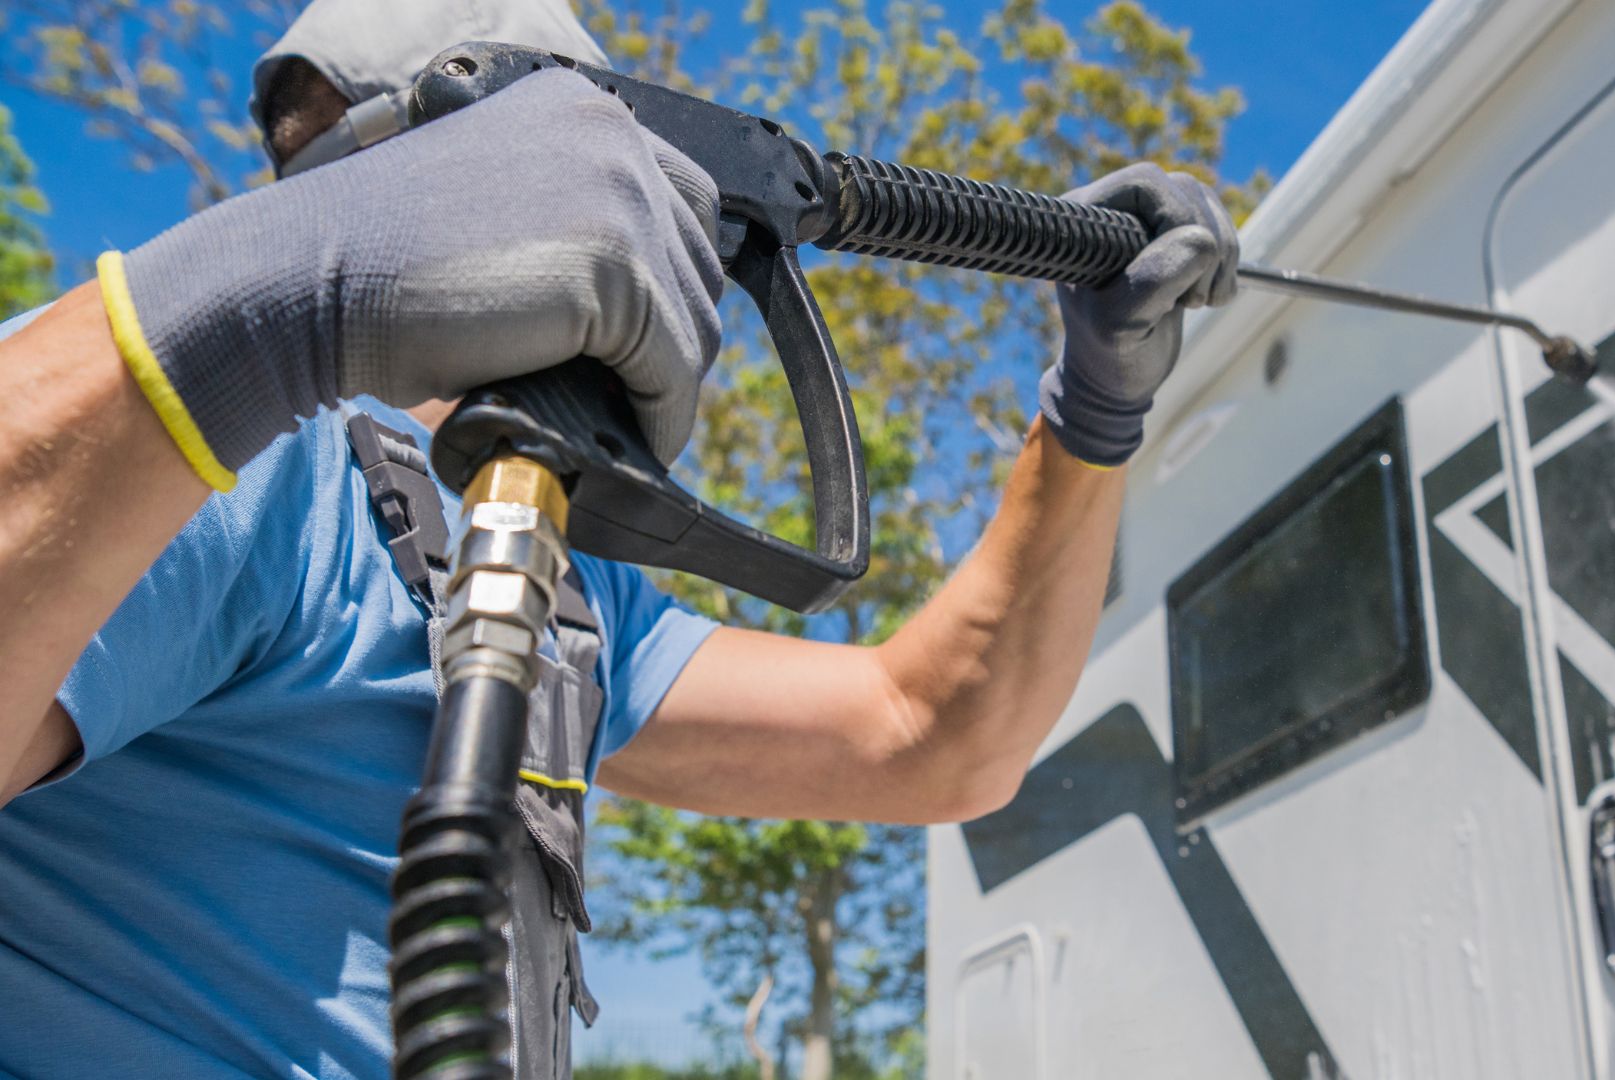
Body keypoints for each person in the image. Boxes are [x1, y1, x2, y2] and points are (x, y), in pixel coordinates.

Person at [0, 0, 1240, 1077]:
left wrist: (1093, 413)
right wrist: (273, 308)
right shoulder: (230, 463)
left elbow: (932, 737)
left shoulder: (555, 583)